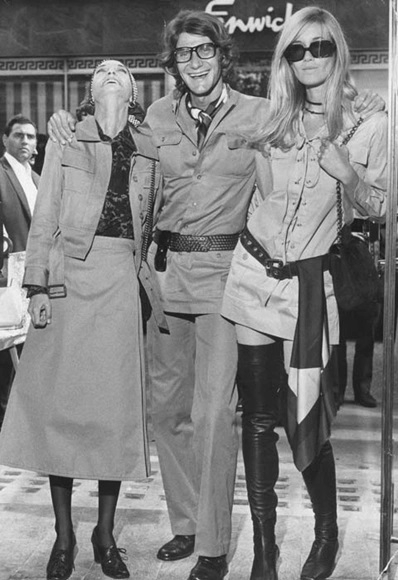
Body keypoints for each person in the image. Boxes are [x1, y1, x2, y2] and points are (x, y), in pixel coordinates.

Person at [47, 12, 383, 580]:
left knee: (213, 414)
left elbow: (318, 133)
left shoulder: (261, 113)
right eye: (184, 54)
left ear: (223, 56)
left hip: (229, 277)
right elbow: (108, 136)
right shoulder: (153, 115)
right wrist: (65, 119)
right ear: (172, 63)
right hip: (163, 274)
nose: (196, 62)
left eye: (206, 51)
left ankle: (213, 544)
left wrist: (363, 105)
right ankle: (186, 524)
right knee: (169, 411)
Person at [221, 6, 387, 580]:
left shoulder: (370, 121)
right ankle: (263, 552)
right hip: (251, 277)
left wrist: (349, 175)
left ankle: (326, 534)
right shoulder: (273, 119)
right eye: (296, 50)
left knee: (307, 420)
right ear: (284, 60)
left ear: (337, 49)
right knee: (258, 418)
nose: (309, 58)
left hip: (311, 293)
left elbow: (384, 205)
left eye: (319, 47)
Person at [0, 59, 164, 580]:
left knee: (113, 418)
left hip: (121, 286)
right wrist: (40, 286)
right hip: (69, 281)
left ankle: (106, 534)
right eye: (101, 70)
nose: (111, 71)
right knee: (62, 415)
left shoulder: (150, 146)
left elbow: (157, 220)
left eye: (121, 70)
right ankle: (64, 535)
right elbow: (45, 216)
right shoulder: (66, 140)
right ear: (90, 91)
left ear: (134, 88)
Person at [0, 114, 39, 430]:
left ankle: (23, 423)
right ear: (5, 139)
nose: (25, 141)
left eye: (30, 136)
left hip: (37, 278)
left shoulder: (38, 179)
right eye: (18, 135)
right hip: (7, 277)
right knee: (5, 353)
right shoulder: (0, 174)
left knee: (32, 351)